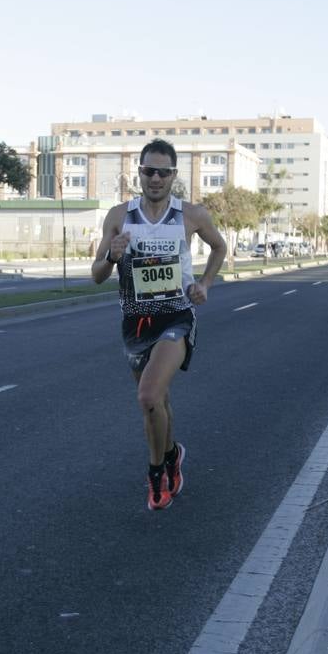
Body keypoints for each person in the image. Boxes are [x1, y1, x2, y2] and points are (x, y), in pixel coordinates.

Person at [91, 139, 227, 510]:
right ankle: (172, 456)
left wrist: (205, 284)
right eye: (148, 170)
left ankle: (156, 478)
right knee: (158, 404)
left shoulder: (191, 215)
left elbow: (219, 247)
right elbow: (97, 275)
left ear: (173, 176)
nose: (155, 178)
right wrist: (111, 255)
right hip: (136, 323)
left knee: (149, 395)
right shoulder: (119, 216)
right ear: (139, 172)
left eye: (162, 172)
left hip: (176, 317)